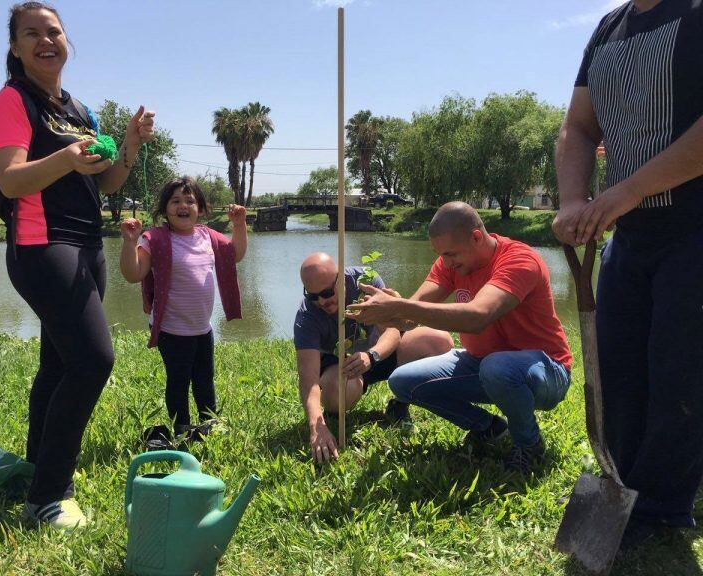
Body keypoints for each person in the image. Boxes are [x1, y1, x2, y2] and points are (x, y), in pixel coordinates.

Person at [0, 2, 154, 530]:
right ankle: (49, 495)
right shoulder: (11, 101)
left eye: (53, 31)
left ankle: (37, 470)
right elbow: (12, 180)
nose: (45, 40)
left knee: (59, 365)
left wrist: (126, 146)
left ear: (66, 41)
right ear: (15, 48)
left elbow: (103, 183)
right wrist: (68, 156)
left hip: (86, 247)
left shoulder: (79, 109)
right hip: (41, 246)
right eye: (31, 33)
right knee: (93, 360)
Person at [553, 0, 703, 547]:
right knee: (615, 362)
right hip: (631, 234)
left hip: (694, 227)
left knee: (680, 367)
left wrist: (625, 190)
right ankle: (625, 485)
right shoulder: (608, 28)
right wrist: (573, 200)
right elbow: (577, 126)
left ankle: (664, 508)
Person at [348, 203, 573, 474]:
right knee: (402, 382)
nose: (446, 262)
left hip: (546, 371)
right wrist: (384, 313)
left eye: (450, 254)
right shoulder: (450, 261)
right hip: (481, 365)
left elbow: (477, 317)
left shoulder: (519, 260)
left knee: (497, 368)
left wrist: (401, 308)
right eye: (441, 255)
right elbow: (411, 315)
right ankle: (489, 428)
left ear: (476, 237)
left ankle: (528, 444)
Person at [120, 177, 246, 444]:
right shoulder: (154, 238)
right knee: (178, 381)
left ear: (200, 208)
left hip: (202, 328)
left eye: (190, 201)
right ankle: (183, 429)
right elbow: (134, 274)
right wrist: (129, 243)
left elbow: (235, 254)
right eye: (175, 201)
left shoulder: (207, 236)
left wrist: (239, 225)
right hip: (172, 330)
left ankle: (209, 425)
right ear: (165, 209)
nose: (183, 206)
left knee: (205, 379)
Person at [294, 252, 454, 464]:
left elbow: (393, 331)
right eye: (313, 296)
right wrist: (317, 426)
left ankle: (400, 402)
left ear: (340, 279)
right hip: (342, 369)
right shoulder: (307, 316)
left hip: (378, 353)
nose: (322, 301)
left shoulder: (367, 281)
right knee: (338, 394)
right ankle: (336, 409)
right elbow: (309, 378)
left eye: (326, 292)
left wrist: (372, 355)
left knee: (440, 342)